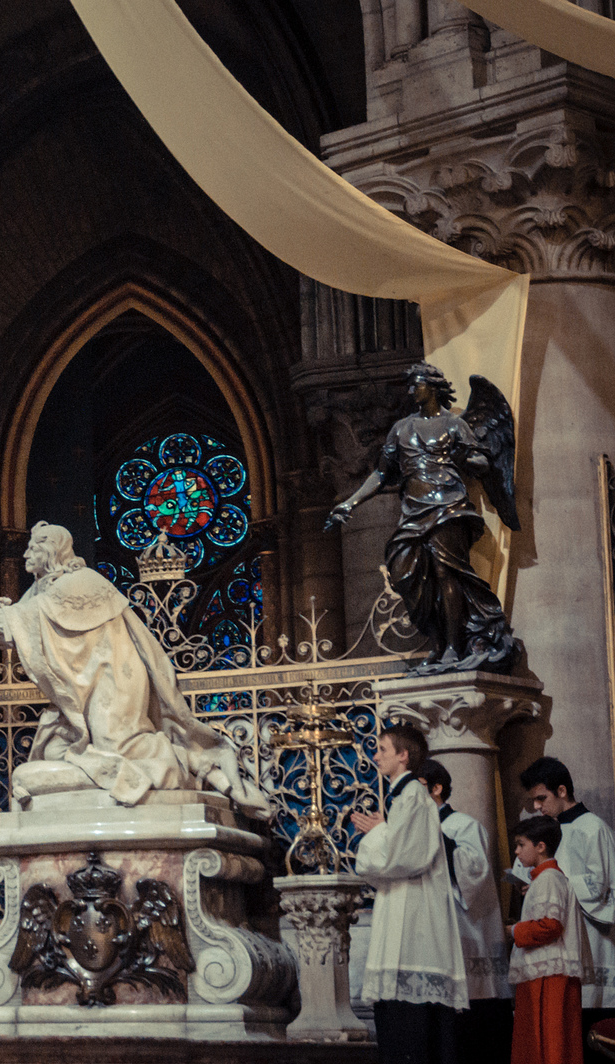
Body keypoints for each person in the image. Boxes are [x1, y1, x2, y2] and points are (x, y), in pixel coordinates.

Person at [0, 521, 267, 812]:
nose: (26, 553)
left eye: (33, 547)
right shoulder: (44, 588)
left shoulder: (81, 582)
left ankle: (197, 767)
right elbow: (20, 624)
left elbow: (28, 618)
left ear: (52, 550)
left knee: (120, 748)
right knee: (52, 752)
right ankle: (194, 766)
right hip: (84, 689)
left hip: (112, 683)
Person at [324, 361, 520, 675]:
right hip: (414, 510)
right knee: (406, 574)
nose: (411, 390)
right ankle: (440, 642)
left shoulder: (454, 424)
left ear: (434, 387)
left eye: (417, 384)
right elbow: (381, 473)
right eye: (411, 385)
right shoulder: (401, 428)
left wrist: (464, 457)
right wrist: (349, 502)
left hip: (448, 506)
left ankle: (450, 647)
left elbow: (483, 462)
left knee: (445, 573)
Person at [352, 723, 468, 1064]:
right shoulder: (405, 797)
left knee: (412, 1028)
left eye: (382, 749)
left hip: (415, 914)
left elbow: (404, 857)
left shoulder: (414, 796)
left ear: (403, 755)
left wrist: (376, 836)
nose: (375, 756)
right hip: (403, 902)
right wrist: (386, 831)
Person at [415, 759, 512, 1053]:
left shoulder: (464, 825)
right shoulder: (415, 829)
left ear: (437, 788)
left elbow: (474, 873)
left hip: (465, 931)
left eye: (418, 789)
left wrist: (436, 836)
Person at [514, 757, 615, 1022]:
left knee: (591, 1017)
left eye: (541, 798)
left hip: (591, 934)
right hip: (560, 936)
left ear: (561, 791)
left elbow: (599, 884)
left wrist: (552, 885)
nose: (537, 807)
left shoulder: (592, 828)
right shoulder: (548, 831)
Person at [509, 816, 591, 1064]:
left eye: (521, 844)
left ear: (541, 846)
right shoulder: (547, 878)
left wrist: (513, 931)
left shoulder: (549, 878)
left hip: (548, 977)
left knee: (549, 1045)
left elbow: (550, 926)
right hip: (547, 973)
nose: (517, 851)